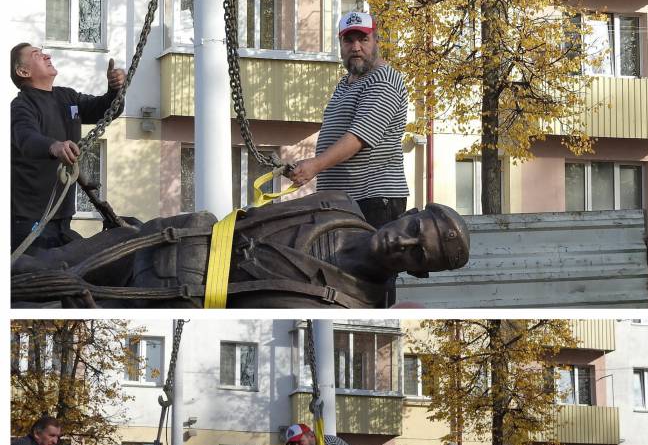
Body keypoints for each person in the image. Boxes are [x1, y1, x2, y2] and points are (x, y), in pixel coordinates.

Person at [11, 190, 470, 309]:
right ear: (407, 213)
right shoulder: (339, 204)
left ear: (419, 272)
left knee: (56, 297)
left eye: (416, 252)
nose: (401, 241)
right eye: (412, 227)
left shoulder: (355, 301)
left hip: (171, 296)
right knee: (40, 268)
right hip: (169, 239)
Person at [289, 12, 409, 229]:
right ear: (340, 44)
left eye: (363, 39)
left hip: (372, 201)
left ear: (377, 41)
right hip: (344, 201)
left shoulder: (384, 79)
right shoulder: (347, 83)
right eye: (349, 40)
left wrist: (315, 166)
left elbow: (358, 138)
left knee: (370, 264)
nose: (355, 47)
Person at [10, 43, 126, 252]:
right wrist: (53, 146)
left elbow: (104, 108)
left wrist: (115, 89)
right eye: (37, 54)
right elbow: (26, 138)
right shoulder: (21, 106)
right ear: (23, 71)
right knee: (40, 280)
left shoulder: (67, 97)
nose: (46, 55)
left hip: (63, 217)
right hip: (29, 220)